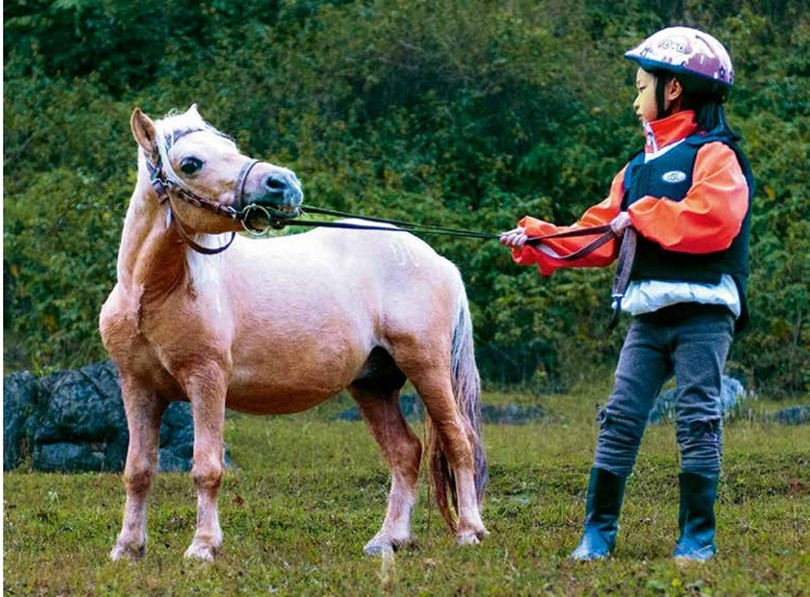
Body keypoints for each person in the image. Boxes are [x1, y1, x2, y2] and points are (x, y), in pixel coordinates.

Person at [500, 26, 754, 562]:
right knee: (619, 415)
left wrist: (637, 216)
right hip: (648, 319)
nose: (634, 98)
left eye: (641, 87)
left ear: (674, 90)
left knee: (698, 415)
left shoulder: (715, 156)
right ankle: (598, 532)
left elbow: (714, 219)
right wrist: (540, 238)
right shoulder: (635, 169)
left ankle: (697, 536)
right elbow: (597, 233)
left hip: (704, 314)